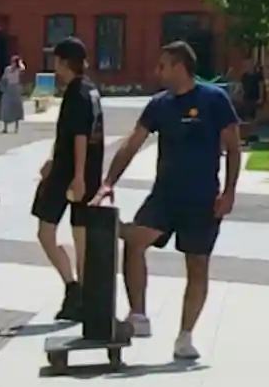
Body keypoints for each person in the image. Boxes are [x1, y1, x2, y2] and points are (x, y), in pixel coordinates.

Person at [102, 34, 242, 369]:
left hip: (203, 198)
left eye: (163, 65)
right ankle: (138, 314)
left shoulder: (214, 99)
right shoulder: (160, 104)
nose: (158, 71)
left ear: (180, 66)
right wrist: (108, 183)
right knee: (134, 242)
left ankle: (185, 337)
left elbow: (234, 147)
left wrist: (230, 192)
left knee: (197, 265)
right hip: (165, 194)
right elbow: (132, 144)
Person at [29, 35, 103, 320]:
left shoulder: (77, 93)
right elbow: (72, 133)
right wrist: (53, 158)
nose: (54, 67)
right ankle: (82, 293)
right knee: (80, 233)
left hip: (70, 175)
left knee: (45, 231)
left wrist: (78, 176)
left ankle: (74, 288)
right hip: (79, 171)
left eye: (56, 61)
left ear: (64, 62)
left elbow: (81, 136)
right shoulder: (90, 90)